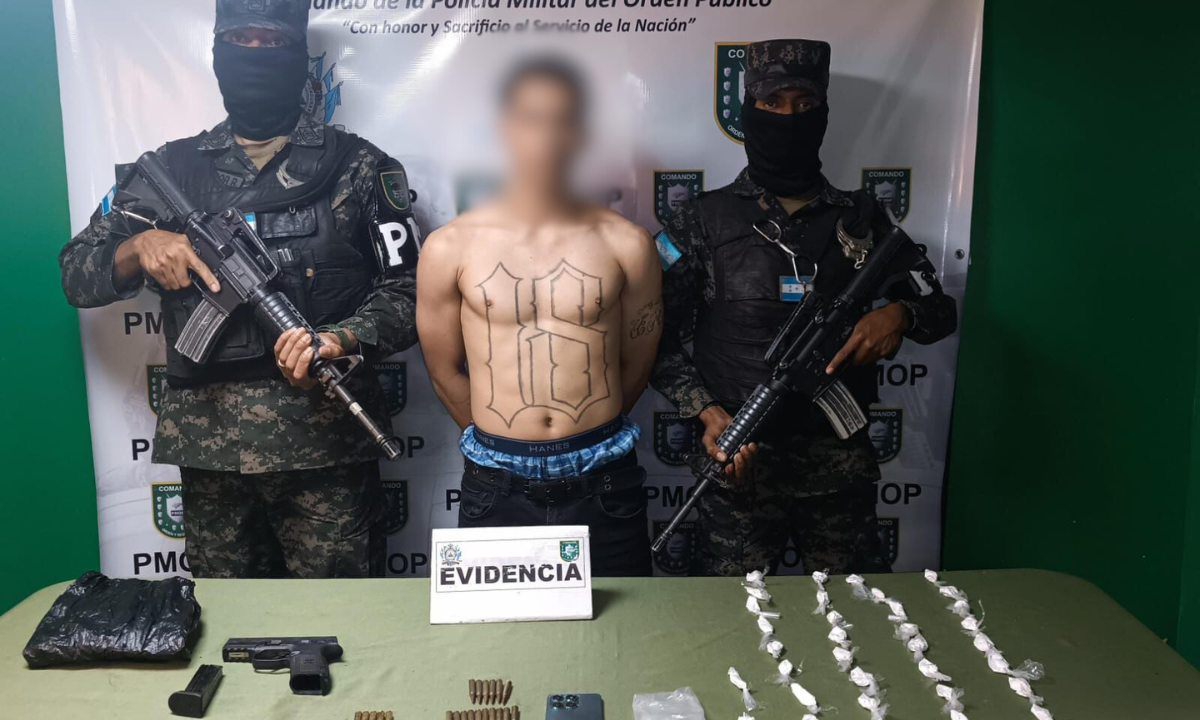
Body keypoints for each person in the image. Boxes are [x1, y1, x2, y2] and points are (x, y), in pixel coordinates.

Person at [58, 0, 421, 579]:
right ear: (217, 53)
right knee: (228, 622)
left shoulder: (357, 166)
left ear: (298, 56)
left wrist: (341, 338)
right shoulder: (169, 171)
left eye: (271, 42)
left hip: (326, 447)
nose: (254, 54)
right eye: (239, 40)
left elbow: (409, 292)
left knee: (342, 619)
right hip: (211, 456)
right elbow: (76, 272)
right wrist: (139, 246)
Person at [651, 39, 957, 576]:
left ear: (822, 112)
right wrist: (708, 411)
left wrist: (899, 315)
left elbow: (939, 310)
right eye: (772, 103)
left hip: (838, 471)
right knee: (733, 617)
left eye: (803, 104)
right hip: (740, 464)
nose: (788, 117)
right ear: (749, 111)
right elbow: (653, 336)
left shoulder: (862, 218)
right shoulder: (702, 219)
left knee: (855, 613)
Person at [417, 57, 663, 577]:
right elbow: (444, 371)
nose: (546, 138)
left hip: (604, 475)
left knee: (628, 624)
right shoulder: (449, 247)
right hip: (496, 480)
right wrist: (502, 443)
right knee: (499, 629)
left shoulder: (627, 244)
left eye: (562, 121)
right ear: (504, 129)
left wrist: (586, 434)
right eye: (531, 119)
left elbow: (636, 364)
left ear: (581, 134)